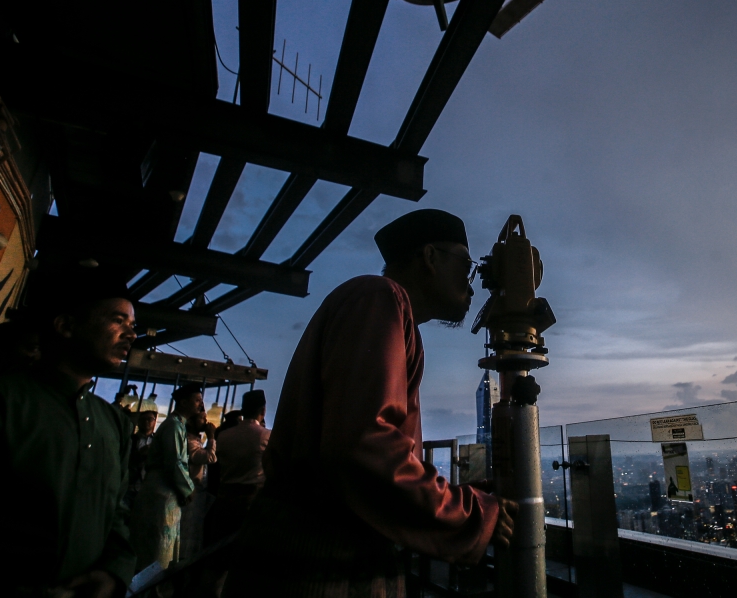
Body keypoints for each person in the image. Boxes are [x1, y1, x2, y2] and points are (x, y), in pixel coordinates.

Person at [224, 209, 517, 597]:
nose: (472, 282)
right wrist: (469, 515)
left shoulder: (393, 316)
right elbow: (363, 446)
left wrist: (460, 495)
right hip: (319, 561)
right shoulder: (380, 296)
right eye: (465, 265)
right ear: (430, 257)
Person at [0, 263, 137, 597]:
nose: (131, 334)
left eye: (133, 325)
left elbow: (117, 515)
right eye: (119, 321)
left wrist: (113, 573)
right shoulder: (7, 400)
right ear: (66, 326)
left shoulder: (113, 421)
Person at [130, 385, 203, 572]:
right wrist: (188, 489)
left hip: (162, 491)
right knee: (157, 554)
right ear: (184, 402)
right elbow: (175, 462)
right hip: (162, 494)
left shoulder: (175, 425)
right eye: (197, 400)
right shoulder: (173, 426)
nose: (201, 404)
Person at [203, 390, 268, 547]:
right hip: (250, 502)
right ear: (263, 411)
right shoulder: (265, 436)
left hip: (224, 498)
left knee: (219, 551)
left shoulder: (224, 435)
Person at [180, 411, 217, 560]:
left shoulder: (195, 441)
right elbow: (210, 457)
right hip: (192, 491)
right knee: (188, 534)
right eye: (202, 418)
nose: (205, 421)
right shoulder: (189, 442)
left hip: (197, 492)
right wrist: (212, 437)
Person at [125, 409, 159, 507]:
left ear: (154, 422)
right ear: (138, 422)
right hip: (130, 485)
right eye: (143, 419)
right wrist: (139, 454)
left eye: (150, 419)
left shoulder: (157, 440)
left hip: (149, 486)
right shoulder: (131, 439)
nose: (146, 422)